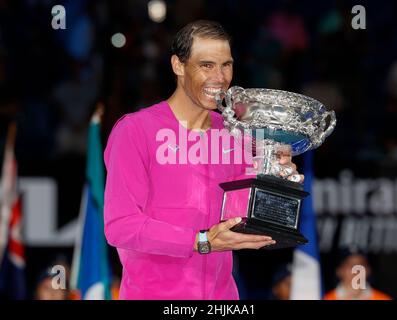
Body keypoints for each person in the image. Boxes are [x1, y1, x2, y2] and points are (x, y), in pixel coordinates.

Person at [103, 20, 304, 300]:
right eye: (206, 65)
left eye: (226, 65)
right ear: (178, 65)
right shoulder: (136, 131)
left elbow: (252, 209)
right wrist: (202, 241)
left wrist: (279, 177)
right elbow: (121, 226)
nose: (220, 77)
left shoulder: (236, 133)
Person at [324, 247, 391, 300]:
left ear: (368, 270)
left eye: (361, 265)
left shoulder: (383, 299)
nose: (356, 269)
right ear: (339, 271)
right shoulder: (325, 298)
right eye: (350, 265)